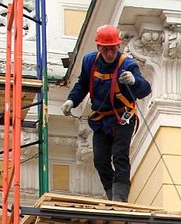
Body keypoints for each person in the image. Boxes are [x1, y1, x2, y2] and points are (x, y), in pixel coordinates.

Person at [61, 25, 152, 203]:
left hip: (122, 117)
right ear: (99, 48)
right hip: (101, 119)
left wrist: (133, 82)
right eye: (106, 49)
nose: (110, 53)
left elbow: (144, 89)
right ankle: (112, 195)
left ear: (118, 47)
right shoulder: (90, 62)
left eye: (113, 49)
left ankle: (120, 197)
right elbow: (82, 84)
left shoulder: (126, 64)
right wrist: (72, 100)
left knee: (120, 155)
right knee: (100, 159)